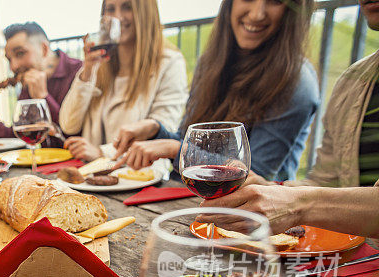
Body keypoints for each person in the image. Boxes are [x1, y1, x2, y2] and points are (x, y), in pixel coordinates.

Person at [198, 0, 379, 239]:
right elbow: (328, 182)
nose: (257, 13)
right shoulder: (353, 81)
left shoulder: (297, 82)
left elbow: (307, 198)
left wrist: (297, 204)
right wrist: (271, 190)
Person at [112, 0, 319, 182]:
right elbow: (189, 140)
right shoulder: (211, 63)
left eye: (276, 1)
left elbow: (254, 177)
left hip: (248, 218)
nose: (257, 14)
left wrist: (177, 150)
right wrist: (155, 130)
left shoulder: (297, 83)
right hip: (190, 200)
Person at [59, 0, 188, 162]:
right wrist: (88, 71)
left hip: (139, 176)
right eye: (111, 9)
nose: (118, 17)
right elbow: (68, 125)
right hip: (93, 175)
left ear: (146, 13)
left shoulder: (169, 63)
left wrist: (102, 153)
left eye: (127, 7)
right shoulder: (99, 63)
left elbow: (162, 131)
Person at [0, 22, 82, 145]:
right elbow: (18, 139)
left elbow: (74, 138)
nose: (13, 66)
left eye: (20, 53)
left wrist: (43, 97)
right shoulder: (27, 84)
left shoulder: (81, 75)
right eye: (9, 59)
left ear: (44, 49)